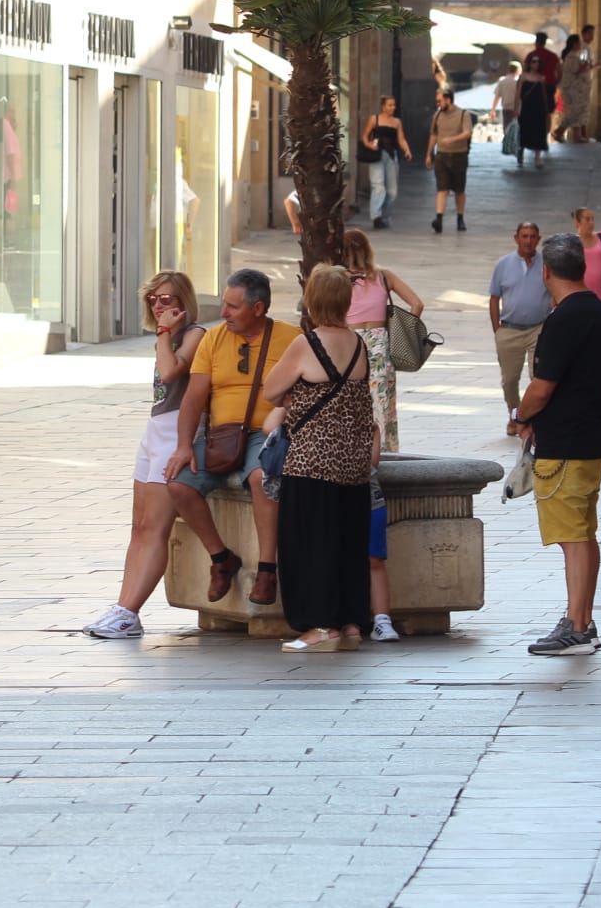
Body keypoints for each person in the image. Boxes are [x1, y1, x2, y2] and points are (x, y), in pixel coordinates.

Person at [261, 266, 380, 653]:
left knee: (309, 546)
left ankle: (318, 625)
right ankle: (349, 623)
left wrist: (292, 397)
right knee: (347, 544)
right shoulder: (360, 344)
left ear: (312, 300)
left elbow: (271, 390)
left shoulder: (306, 344)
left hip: (311, 463)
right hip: (353, 465)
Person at [509, 234, 601, 657]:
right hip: (591, 440)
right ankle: (582, 618)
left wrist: (520, 416)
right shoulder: (597, 312)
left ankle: (575, 623)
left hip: (564, 446)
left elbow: (541, 387)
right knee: (584, 535)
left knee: (572, 538)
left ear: (546, 271)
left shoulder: (565, 317)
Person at [85, 272, 206, 639]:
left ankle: (130, 610)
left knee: (155, 528)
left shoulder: (195, 334)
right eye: (153, 299)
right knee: (138, 528)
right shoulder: (167, 336)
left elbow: (171, 374)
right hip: (156, 428)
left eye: (166, 299)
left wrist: (165, 333)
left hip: (176, 429)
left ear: (183, 301)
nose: (158, 305)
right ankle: (123, 607)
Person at [166, 269, 288, 607]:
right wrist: (183, 445)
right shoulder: (213, 339)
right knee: (178, 483)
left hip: (265, 434)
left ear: (259, 309)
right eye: (224, 304)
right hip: (222, 435)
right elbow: (193, 397)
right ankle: (221, 559)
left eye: (233, 307)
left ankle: (266, 570)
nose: (224, 313)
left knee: (262, 478)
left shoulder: (290, 338)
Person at [343, 229, 419, 452]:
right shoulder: (384, 277)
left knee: (350, 399)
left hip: (350, 342)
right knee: (381, 400)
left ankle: (353, 449)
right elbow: (417, 303)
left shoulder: (339, 279)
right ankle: (384, 450)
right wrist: (405, 332)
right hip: (380, 342)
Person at [489, 222, 552, 430]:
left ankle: (534, 419)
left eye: (532, 236)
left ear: (539, 239)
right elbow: (494, 297)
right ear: (516, 238)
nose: (528, 241)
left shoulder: (547, 264)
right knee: (509, 379)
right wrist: (497, 329)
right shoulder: (504, 264)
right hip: (509, 329)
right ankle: (514, 414)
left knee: (539, 377)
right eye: (524, 236)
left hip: (539, 329)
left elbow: (555, 292)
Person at [427, 89, 472, 233]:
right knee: (442, 188)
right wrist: (429, 154)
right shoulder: (438, 115)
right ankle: (438, 219)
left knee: (459, 190)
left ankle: (460, 218)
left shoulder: (463, 115)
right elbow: (434, 135)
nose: (438, 104)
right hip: (442, 156)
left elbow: (467, 132)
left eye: (440, 101)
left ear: (448, 100)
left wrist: (451, 139)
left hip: (459, 155)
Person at [361, 95, 410, 229]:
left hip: (391, 156)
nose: (392, 108)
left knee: (392, 191)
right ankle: (376, 217)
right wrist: (370, 145)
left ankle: (384, 216)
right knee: (378, 186)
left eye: (394, 105)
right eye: (390, 105)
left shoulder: (397, 122)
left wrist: (407, 150)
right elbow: (365, 136)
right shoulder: (374, 119)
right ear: (383, 106)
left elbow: (401, 139)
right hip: (377, 155)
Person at [519, 32, 559, 168]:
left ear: (536, 42)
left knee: (529, 122)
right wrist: (555, 82)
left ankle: (538, 144)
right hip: (549, 86)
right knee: (547, 115)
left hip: (535, 89)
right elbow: (559, 71)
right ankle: (545, 137)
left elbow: (524, 69)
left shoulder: (530, 55)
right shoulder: (552, 56)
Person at [572, 208, 601, 304]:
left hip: (600, 294)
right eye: (587, 219)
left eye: (593, 219)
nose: (591, 223)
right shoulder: (572, 242)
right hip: (579, 295)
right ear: (577, 222)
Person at [558, 34, 593, 145]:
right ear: (574, 44)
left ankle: (572, 134)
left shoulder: (574, 56)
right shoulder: (572, 57)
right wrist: (584, 67)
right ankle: (560, 131)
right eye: (579, 42)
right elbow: (575, 70)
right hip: (572, 90)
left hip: (575, 90)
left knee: (576, 112)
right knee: (574, 111)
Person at [491, 60, 521, 128]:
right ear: (518, 70)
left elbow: (497, 96)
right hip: (519, 109)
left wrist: (493, 109)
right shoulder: (519, 81)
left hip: (506, 109)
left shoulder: (502, 80)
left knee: (507, 129)